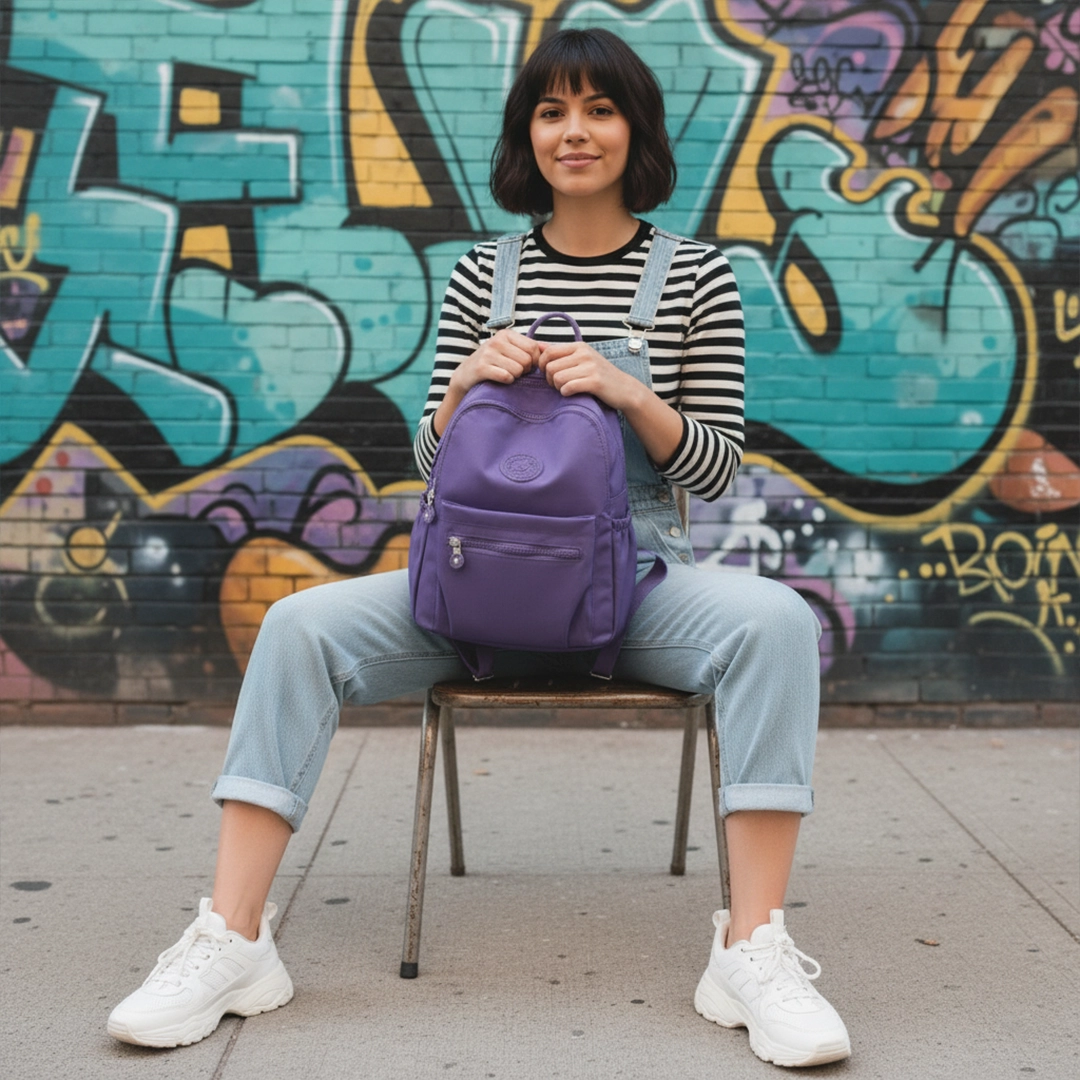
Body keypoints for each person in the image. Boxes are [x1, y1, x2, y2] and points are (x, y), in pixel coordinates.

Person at [108, 28, 851, 1068]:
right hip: (472, 589)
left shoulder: (695, 278)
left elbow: (716, 468)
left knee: (774, 621)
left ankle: (752, 949)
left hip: (636, 585)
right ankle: (232, 940)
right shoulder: (478, 277)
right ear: (526, 134)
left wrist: (632, 391)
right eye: (552, 111)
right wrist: (463, 387)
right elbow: (431, 458)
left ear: (634, 127)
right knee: (295, 627)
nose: (574, 131)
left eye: (599, 108)